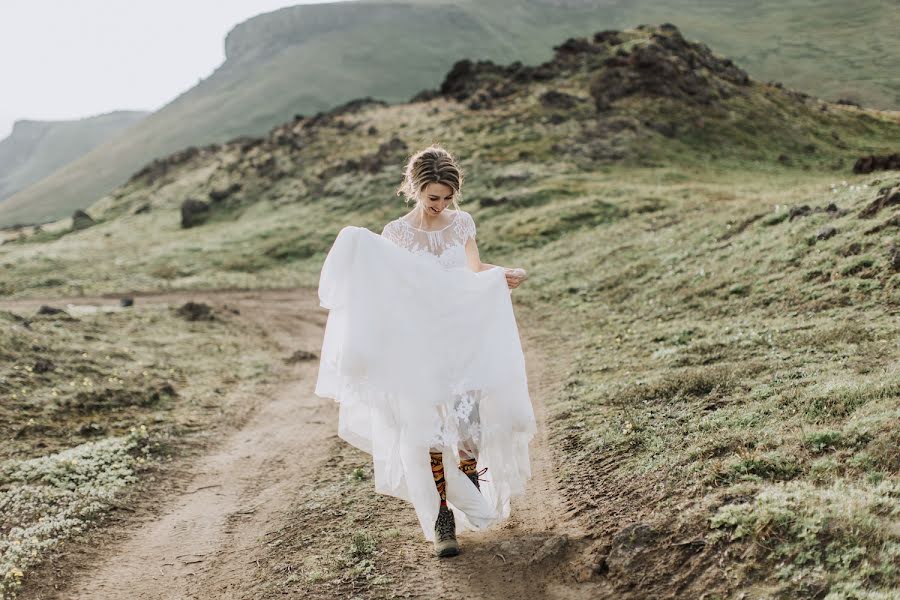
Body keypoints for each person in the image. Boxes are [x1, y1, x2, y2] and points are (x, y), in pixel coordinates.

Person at [314, 144, 535, 558]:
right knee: (427, 433)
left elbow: (472, 270)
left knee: (468, 429)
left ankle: (469, 486)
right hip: (418, 344)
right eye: (434, 197)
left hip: (463, 338)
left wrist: (505, 272)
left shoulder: (462, 223)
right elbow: (387, 288)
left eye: (448, 198)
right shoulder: (395, 234)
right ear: (415, 190)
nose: (441, 205)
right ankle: (442, 520)